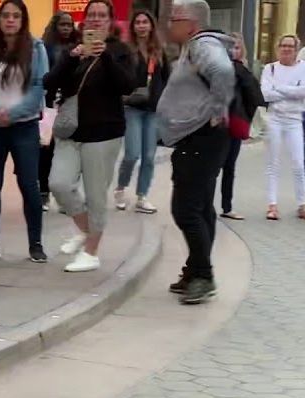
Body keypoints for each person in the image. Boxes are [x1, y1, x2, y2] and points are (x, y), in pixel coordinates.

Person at [44, 0, 136, 273]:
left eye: (101, 16)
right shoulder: (73, 50)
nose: (96, 20)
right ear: (84, 21)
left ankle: (91, 252)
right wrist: (72, 58)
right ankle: (86, 230)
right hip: (71, 131)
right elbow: (49, 82)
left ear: (110, 21)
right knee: (59, 183)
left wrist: (104, 55)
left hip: (104, 133)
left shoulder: (119, 51)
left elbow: (126, 85)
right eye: (91, 15)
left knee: (96, 195)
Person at [156, 0, 234, 304]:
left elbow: (222, 71)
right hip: (201, 139)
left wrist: (217, 110)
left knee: (186, 209)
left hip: (201, 139)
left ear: (191, 24)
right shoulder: (196, 46)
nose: (170, 24)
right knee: (201, 207)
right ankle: (195, 270)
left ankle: (203, 275)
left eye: (175, 19)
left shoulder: (203, 45)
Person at [0, 0, 49, 263]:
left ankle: (35, 244)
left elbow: (39, 87)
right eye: (6, 16)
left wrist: (12, 114)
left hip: (24, 126)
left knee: (29, 184)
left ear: (23, 19)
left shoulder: (36, 48)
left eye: (15, 16)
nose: (10, 20)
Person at [114, 11, 169, 215]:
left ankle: (142, 196)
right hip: (132, 108)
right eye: (137, 22)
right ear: (133, 27)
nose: (141, 26)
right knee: (132, 153)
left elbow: (166, 79)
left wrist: (163, 102)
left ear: (151, 26)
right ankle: (120, 188)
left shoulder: (159, 51)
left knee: (149, 156)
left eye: (145, 22)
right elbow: (118, 76)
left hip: (153, 110)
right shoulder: (127, 51)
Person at [260, 35, 305, 221]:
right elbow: (266, 94)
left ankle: (302, 204)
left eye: (290, 46)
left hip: (294, 120)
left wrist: (279, 88)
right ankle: (272, 204)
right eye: (283, 46)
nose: (286, 49)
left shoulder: (303, 68)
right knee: (273, 163)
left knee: (299, 163)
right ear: (278, 48)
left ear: (296, 49)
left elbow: (303, 92)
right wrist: (291, 90)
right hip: (275, 120)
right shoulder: (269, 68)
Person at [219, 32, 263, 221]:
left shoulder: (243, 70)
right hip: (218, 123)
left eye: (236, 47)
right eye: (230, 47)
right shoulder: (219, 69)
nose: (233, 51)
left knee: (229, 166)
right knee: (213, 167)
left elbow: (254, 97)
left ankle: (227, 207)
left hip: (235, 123)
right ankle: (204, 205)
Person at [39, 12, 78, 211]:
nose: (66, 28)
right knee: (46, 148)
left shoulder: (77, 46)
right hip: (48, 104)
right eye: (62, 24)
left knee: (68, 149)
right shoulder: (46, 47)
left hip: (69, 103)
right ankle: (44, 193)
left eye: (69, 25)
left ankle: (65, 195)